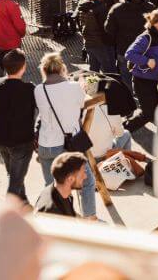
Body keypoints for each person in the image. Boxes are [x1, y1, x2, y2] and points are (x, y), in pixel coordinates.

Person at [34, 53, 98, 219]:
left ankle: (60, 219)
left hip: (45, 146)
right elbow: (86, 102)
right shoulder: (73, 87)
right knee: (87, 182)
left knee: (52, 188)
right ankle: (89, 218)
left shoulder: (39, 90)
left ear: (44, 70)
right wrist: (82, 87)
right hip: (66, 146)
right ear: (62, 68)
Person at [0, 48, 35, 201]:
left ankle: (23, 201)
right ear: (23, 67)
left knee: (14, 174)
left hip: (0, 139)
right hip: (21, 142)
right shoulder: (29, 89)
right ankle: (10, 211)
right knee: (15, 179)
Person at [124, 9, 158, 130]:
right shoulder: (145, 37)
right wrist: (147, 61)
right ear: (155, 23)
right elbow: (129, 54)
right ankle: (123, 131)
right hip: (143, 81)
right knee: (148, 114)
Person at [103, 0, 154, 88]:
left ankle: (130, 102)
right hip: (145, 50)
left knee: (126, 81)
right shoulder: (150, 7)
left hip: (124, 49)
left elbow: (108, 29)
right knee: (145, 80)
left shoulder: (116, 9)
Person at [34, 152, 89, 218]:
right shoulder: (54, 214)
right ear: (70, 179)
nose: (85, 176)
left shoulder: (56, 190)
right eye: (83, 173)